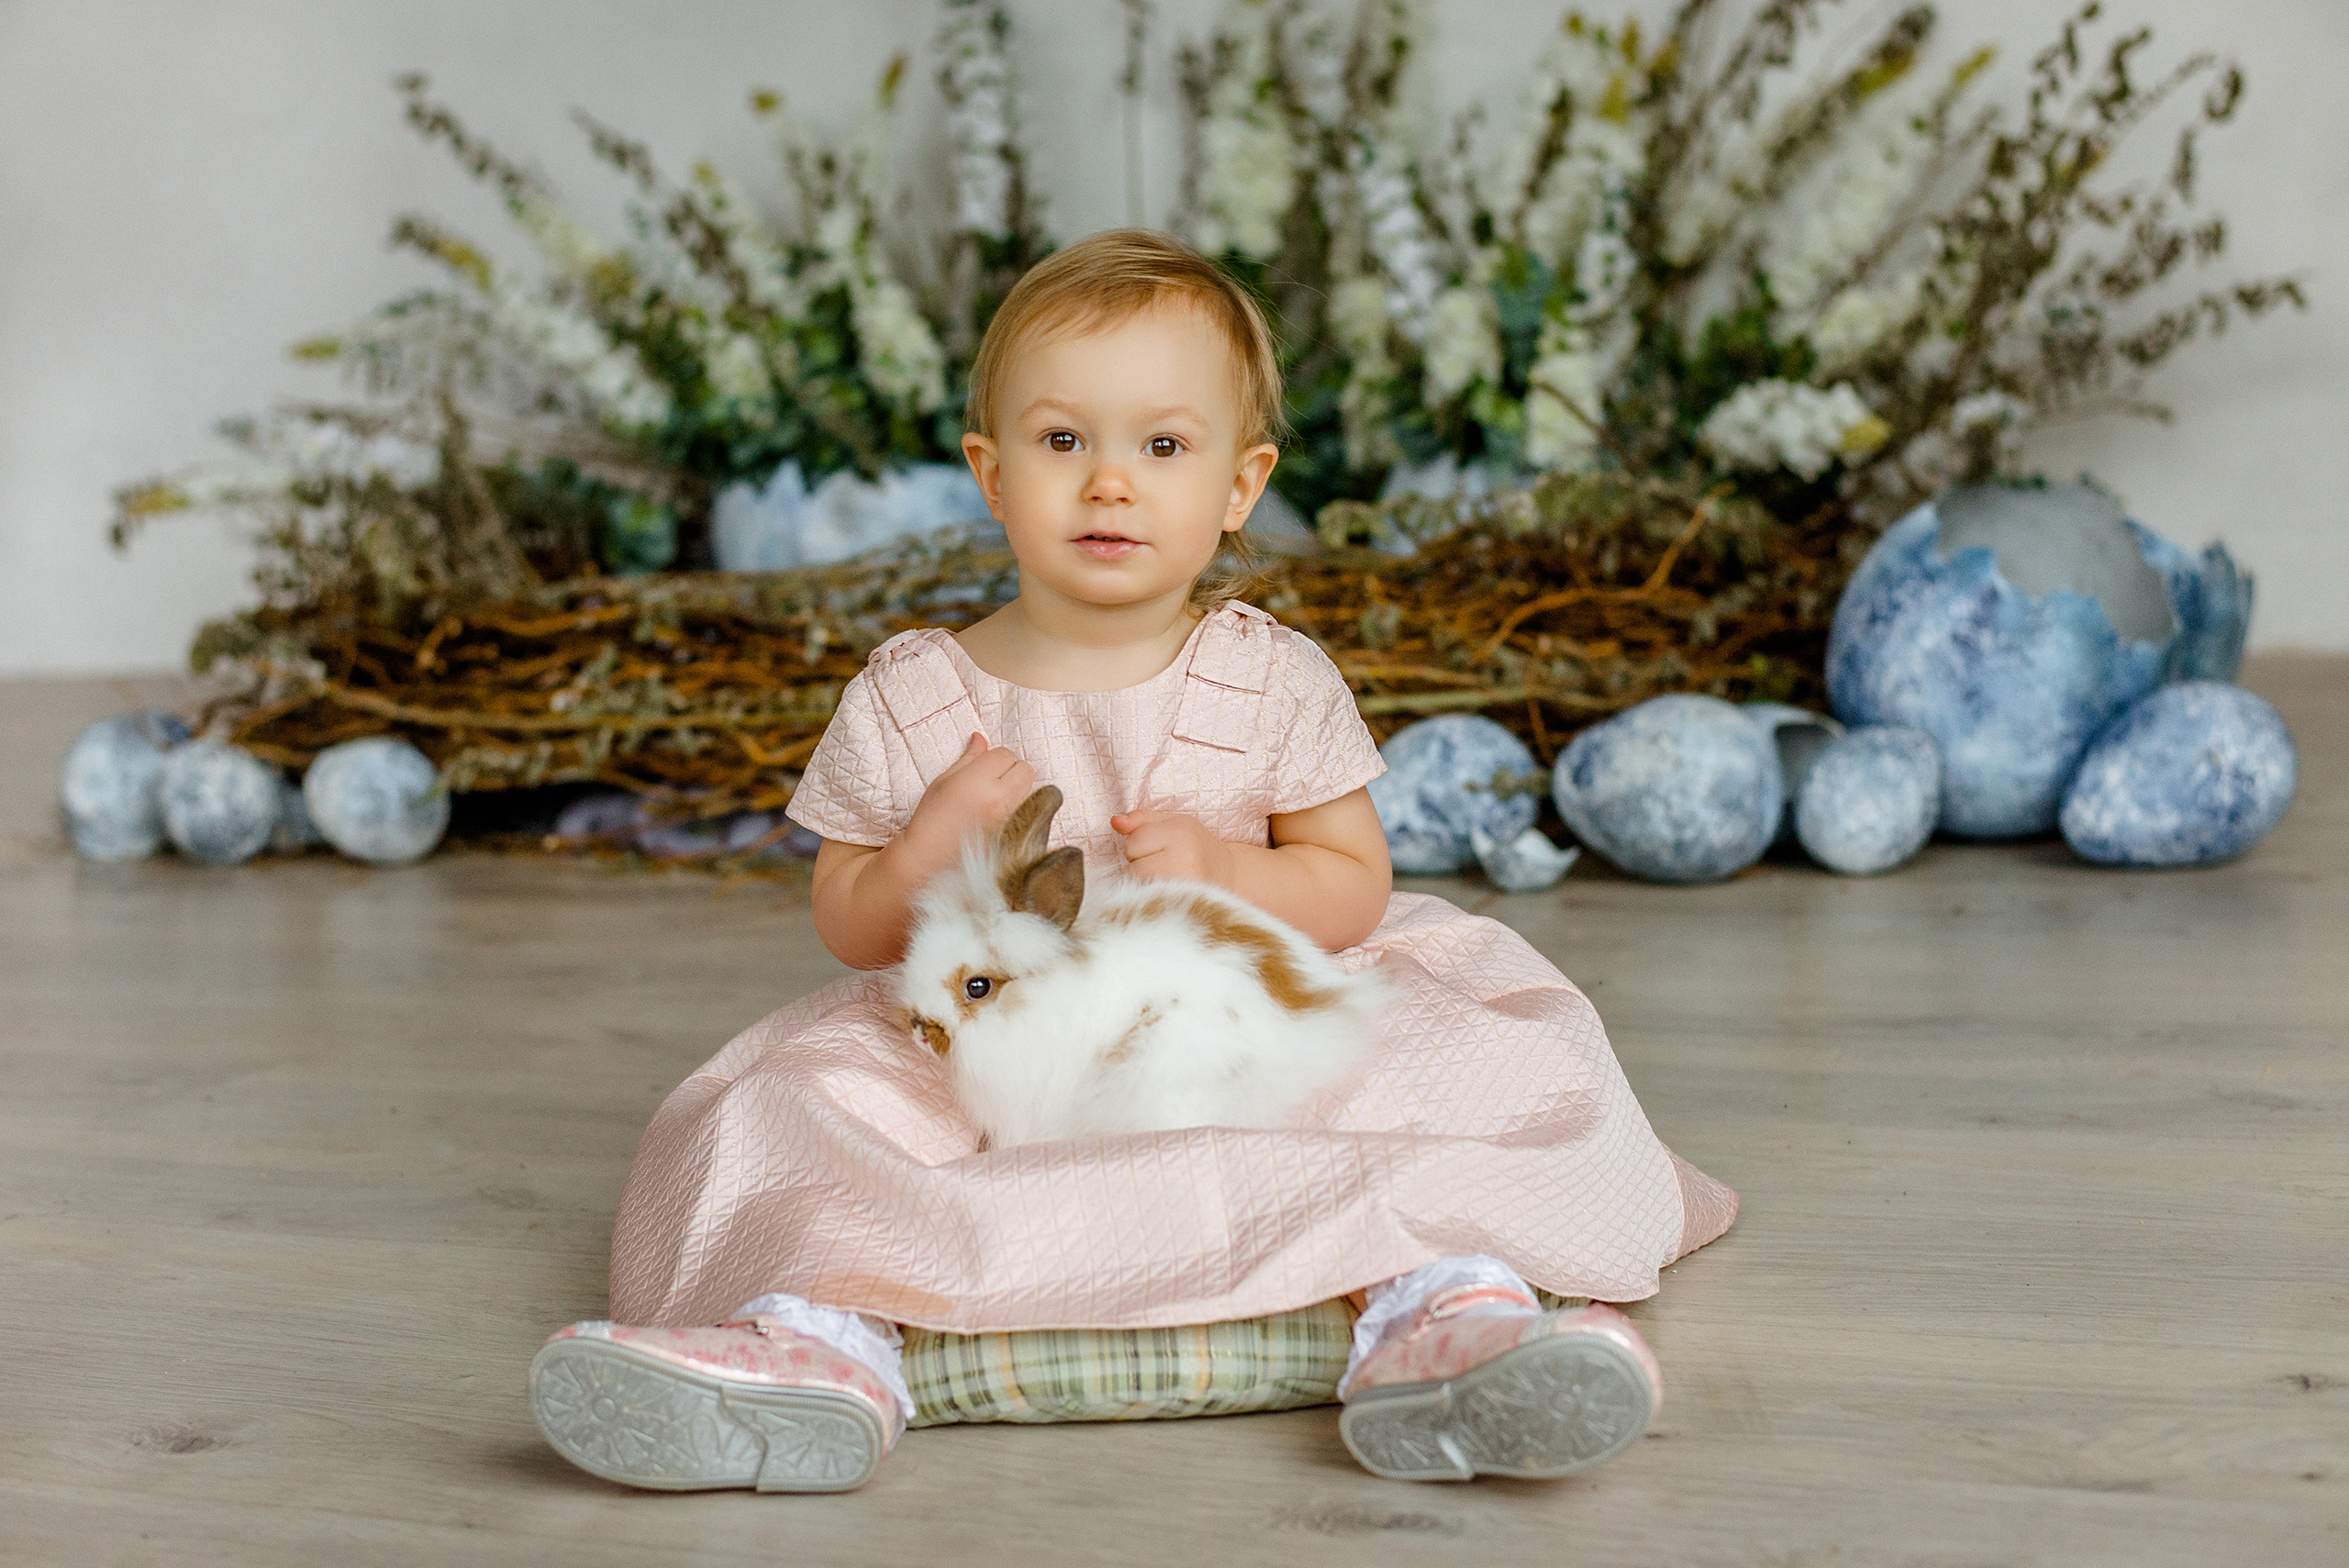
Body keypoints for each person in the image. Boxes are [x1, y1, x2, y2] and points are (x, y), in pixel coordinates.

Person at [528, 229, 1735, 1492]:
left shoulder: (1272, 675)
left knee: (1414, 1068)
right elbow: (846, 920)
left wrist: (1230, 866)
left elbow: (1351, 882)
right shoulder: (914, 694)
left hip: (1229, 1009)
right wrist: (928, 848)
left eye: (1162, 446)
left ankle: (1448, 1319)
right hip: (987, 1036)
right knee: (801, 1109)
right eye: (1064, 442)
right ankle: (820, 1344)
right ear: (990, 476)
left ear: (1240, 483)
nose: (1111, 483)